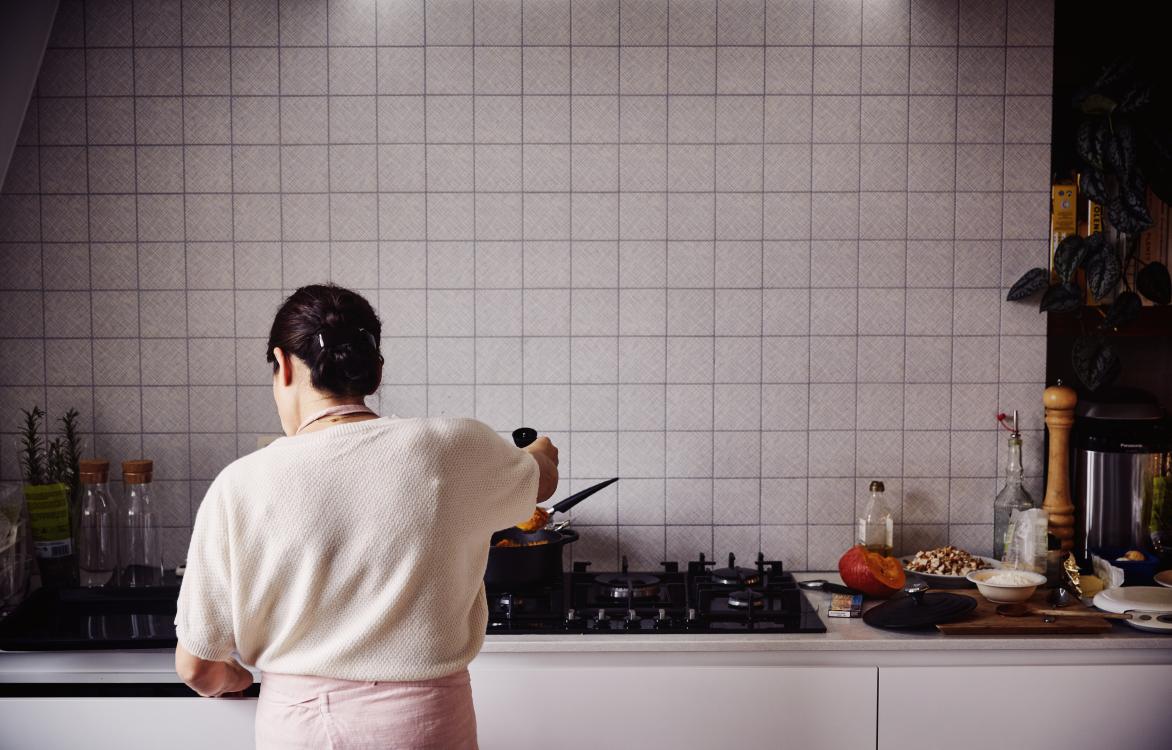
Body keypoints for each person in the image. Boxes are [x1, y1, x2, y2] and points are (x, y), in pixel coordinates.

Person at [174, 283, 559, 749]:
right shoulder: (451, 448)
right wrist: (539, 448)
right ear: (373, 372)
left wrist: (233, 678)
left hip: (300, 727)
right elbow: (542, 479)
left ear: (286, 365)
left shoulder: (239, 485)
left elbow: (197, 667)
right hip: (424, 723)